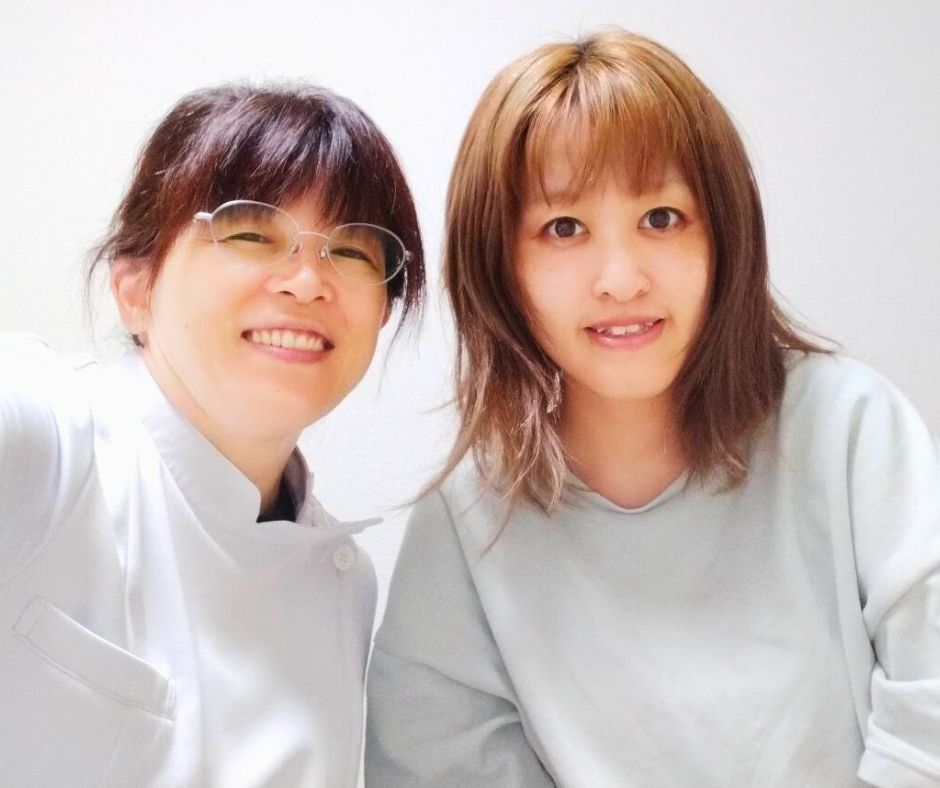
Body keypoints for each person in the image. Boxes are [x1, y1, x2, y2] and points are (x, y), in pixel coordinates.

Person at [365, 30, 940, 787]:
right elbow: (436, 766)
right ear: (499, 265)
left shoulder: (848, 427)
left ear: (726, 233)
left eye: (662, 218)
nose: (621, 278)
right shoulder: (471, 514)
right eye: (564, 228)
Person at [0, 83, 423, 786]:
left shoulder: (347, 587)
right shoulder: (53, 442)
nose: (308, 282)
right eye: (251, 234)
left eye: (353, 252)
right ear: (136, 290)